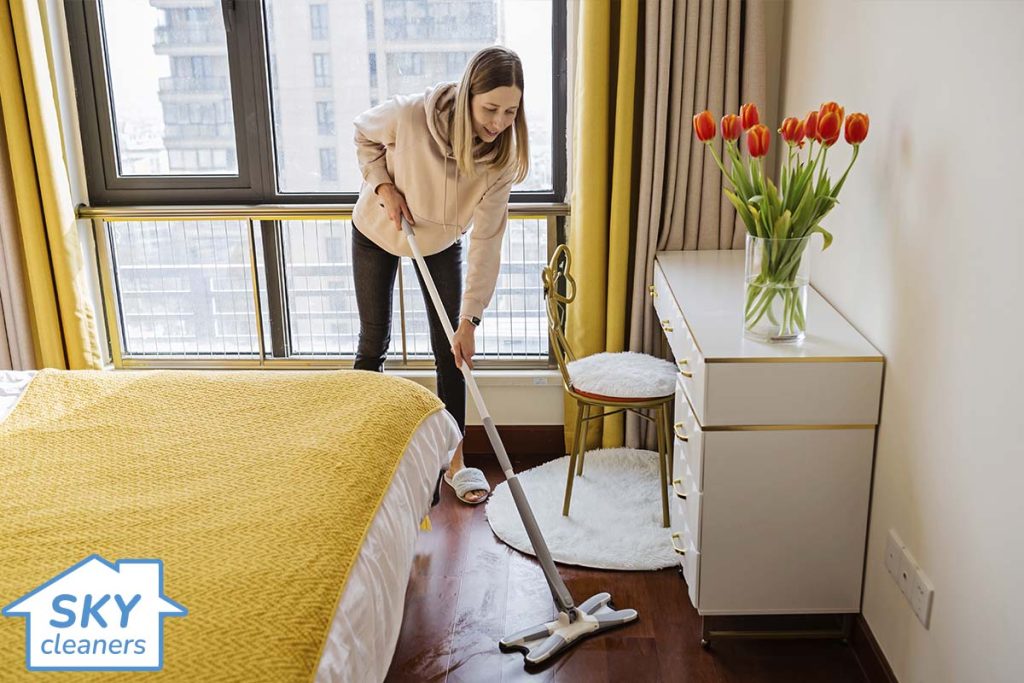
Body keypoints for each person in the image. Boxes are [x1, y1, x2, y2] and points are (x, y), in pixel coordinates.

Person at [351, 46, 529, 504]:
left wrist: (470, 319)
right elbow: (363, 135)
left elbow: (487, 240)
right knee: (374, 342)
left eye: (510, 111)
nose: (498, 122)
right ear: (469, 93)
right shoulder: (410, 116)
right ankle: (361, 450)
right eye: (490, 108)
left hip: (440, 242)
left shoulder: (500, 160)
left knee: (453, 352)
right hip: (381, 226)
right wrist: (384, 186)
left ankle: (455, 460)